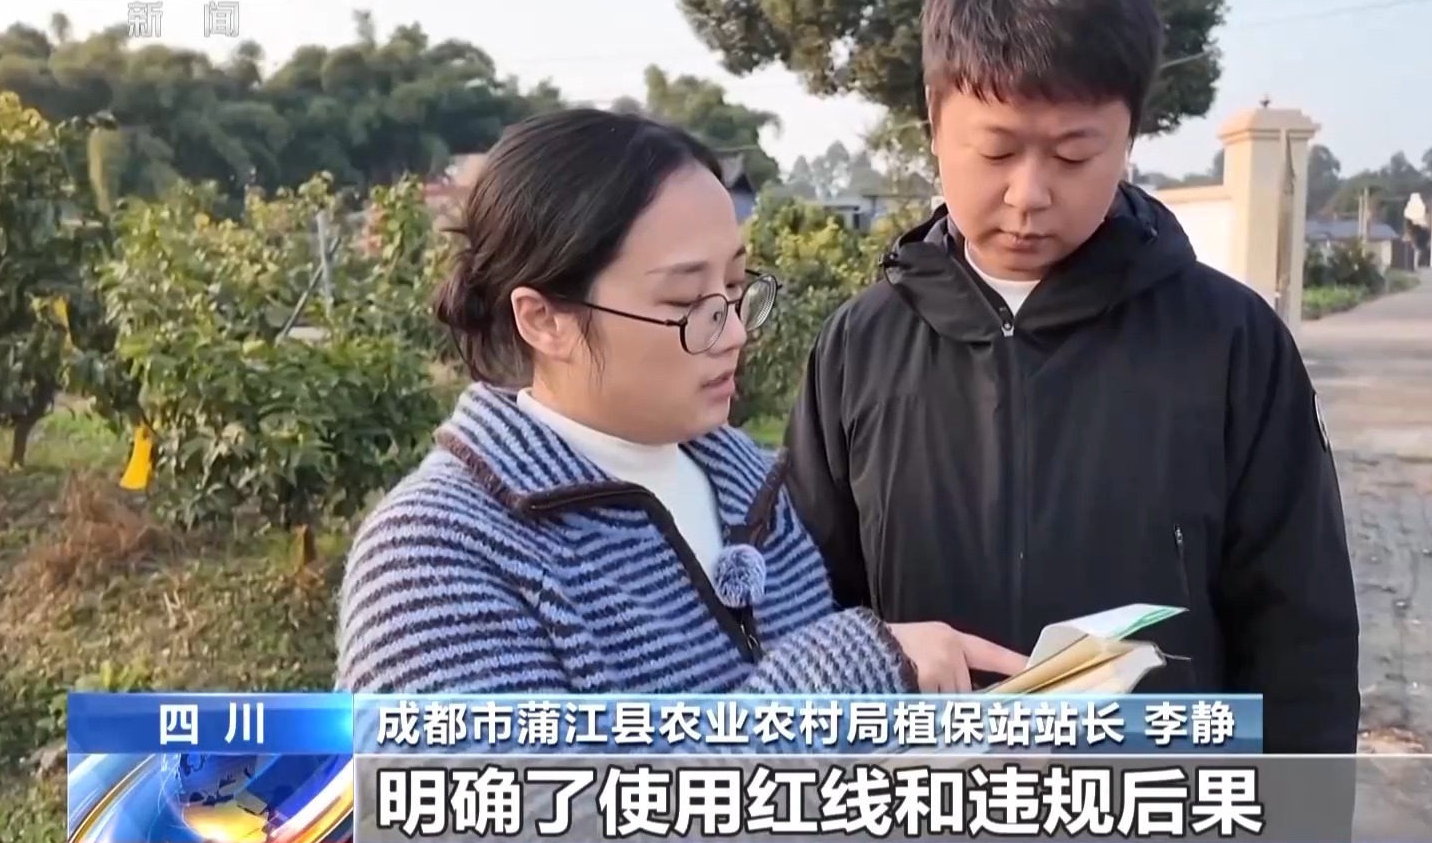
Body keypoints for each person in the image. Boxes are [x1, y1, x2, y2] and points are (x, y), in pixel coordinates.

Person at [785, 0, 1360, 754]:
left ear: (1128, 139)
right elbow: (807, 613)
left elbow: (1302, 636)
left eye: (1073, 155)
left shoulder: (1231, 345)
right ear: (935, 126)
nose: (1029, 195)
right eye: (996, 152)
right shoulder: (859, 348)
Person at [337, 108, 1024, 698]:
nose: (733, 333)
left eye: (734, 288)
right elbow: (502, 801)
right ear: (545, 320)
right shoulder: (436, 557)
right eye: (685, 302)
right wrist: (836, 682)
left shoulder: (749, 487)